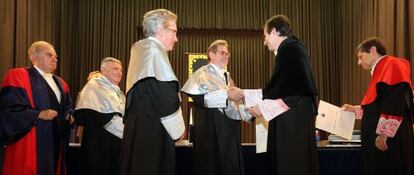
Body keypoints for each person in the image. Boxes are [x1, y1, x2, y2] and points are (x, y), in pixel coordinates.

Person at [248, 15, 319, 175]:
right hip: (294, 117)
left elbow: (292, 93)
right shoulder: (291, 49)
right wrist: (245, 95)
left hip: (292, 122)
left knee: (290, 164)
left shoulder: (289, 49)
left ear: (274, 31)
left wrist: (262, 108)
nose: (264, 41)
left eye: (265, 36)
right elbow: (280, 88)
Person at [120, 9, 185, 175]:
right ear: (160, 30)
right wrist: (179, 131)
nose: (176, 38)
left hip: (141, 130)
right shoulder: (153, 52)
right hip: (152, 136)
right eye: (174, 32)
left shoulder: (141, 51)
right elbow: (165, 97)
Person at [342, 37, 414, 175]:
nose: (359, 62)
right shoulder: (381, 70)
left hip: (389, 140)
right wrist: (355, 110)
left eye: (361, 57)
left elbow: (394, 100)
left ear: (373, 50)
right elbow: (377, 106)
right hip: (383, 139)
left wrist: (384, 132)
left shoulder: (392, 64)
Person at [0, 41, 73, 175]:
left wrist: (70, 117)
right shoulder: (18, 76)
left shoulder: (62, 83)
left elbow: (68, 109)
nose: (55, 59)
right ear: (34, 57)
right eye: (49, 55)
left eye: (55, 57)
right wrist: (38, 114)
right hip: (31, 141)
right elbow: (8, 108)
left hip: (56, 141)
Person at [181, 39, 250, 175]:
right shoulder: (201, 74)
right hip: (211, 130)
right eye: (222, 53)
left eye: (227, 54)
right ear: (211, 55)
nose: (226, 56)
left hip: (230, 131)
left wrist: (249, 112)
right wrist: (227, 95)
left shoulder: (227, 77)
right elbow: (199, 99)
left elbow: (235, 103)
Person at [74, 57, 125, 175]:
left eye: (121, 70)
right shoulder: (94, 86)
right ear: (104, 71)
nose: (120, 73)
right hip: (100, 144)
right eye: (115, 69)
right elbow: (104, 118)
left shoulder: (116, 90)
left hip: (115, 143)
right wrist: (129, 132)